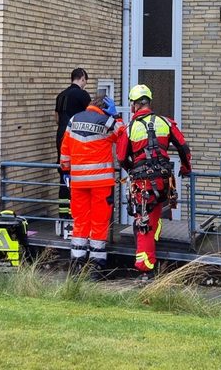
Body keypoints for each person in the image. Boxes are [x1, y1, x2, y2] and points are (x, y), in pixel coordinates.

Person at [117, 84, 191, 281]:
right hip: (165, 182)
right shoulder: (165, 122)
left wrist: (132, 170)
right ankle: (151, 249)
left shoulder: (130, 128)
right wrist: (186, 167)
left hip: (143, 185)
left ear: (134, 105)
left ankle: (145, 269)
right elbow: (184, 147)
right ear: (148, 102)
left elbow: (122, 157)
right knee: (155, 214)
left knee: (143, 225)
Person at [59, 93, 123, 277]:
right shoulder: (106, 121)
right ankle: (96, 266)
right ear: (105, 107)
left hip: (78, 181)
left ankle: (77, 264)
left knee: (80, 221)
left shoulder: (74, 119)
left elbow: (65, 149)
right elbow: (123, 136)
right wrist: (116, 116)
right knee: (99, 222)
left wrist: (66, 168)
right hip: (100, 183)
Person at [54, 68, 90, 235]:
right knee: (77, 176)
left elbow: (57, 118)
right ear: (82, 79)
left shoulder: (61, 95)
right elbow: (89, 117)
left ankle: (63, 214)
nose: (84, 85)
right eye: (85, 82)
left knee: (64, 175)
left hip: (61, 136)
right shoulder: (83, 96)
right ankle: (76, 215)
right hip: (76, 138)